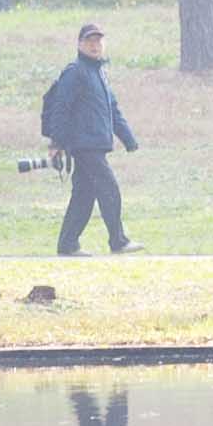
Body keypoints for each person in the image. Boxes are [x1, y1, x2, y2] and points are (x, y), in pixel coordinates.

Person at [39, 20, 138, 255]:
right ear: (79, 44)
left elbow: (113, 109)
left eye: (98, 41)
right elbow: (61, 109)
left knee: (84, 195)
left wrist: (128, 139)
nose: (95, 45)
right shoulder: (75, 72)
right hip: (84, 145)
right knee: (108, 187)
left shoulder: (99, 73)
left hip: (95, 144)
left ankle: (67, 245)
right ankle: (118, 241)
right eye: (89, 41)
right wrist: (56, 143)